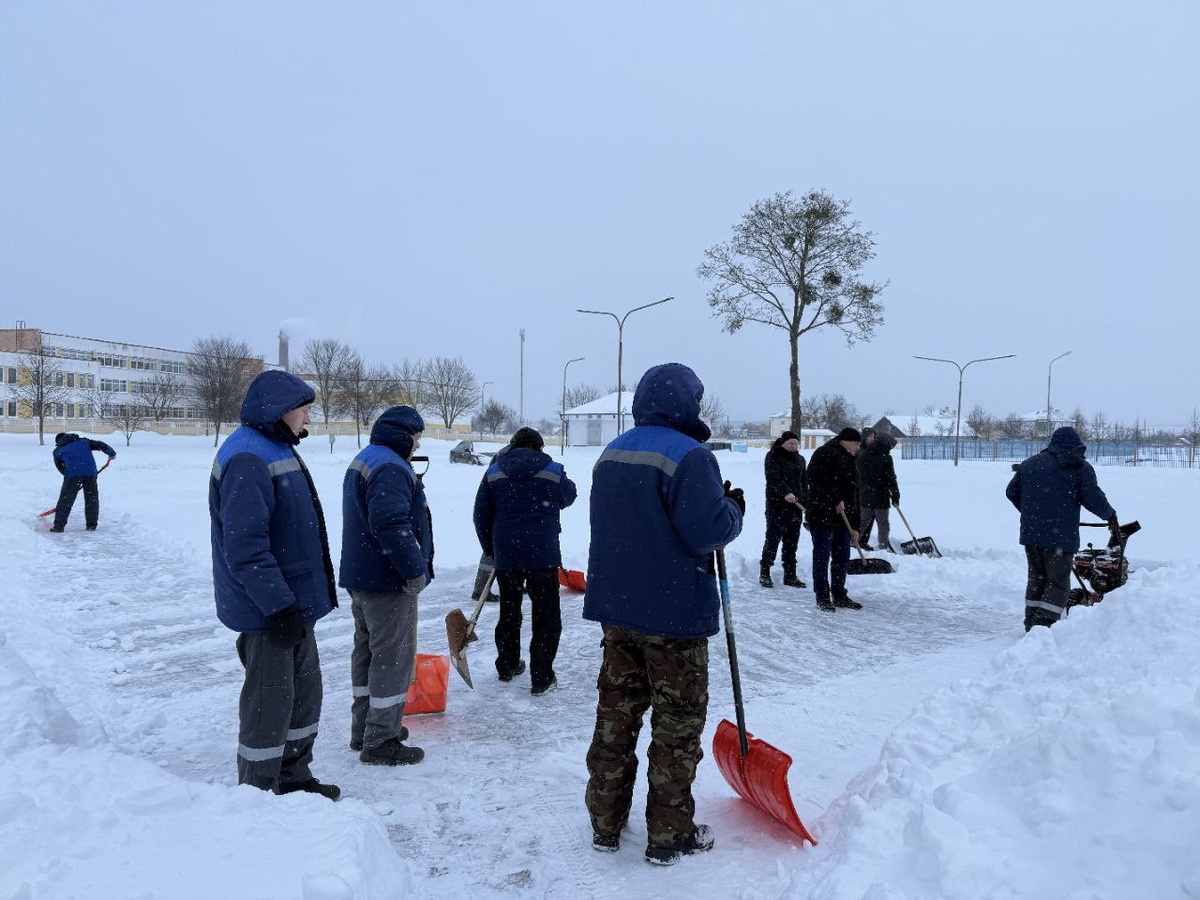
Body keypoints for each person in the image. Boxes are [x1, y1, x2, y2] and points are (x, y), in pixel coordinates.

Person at [583, 363, 744, 867]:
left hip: (618, 609)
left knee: (616, 715)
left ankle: (605, 822)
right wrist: (732, 509)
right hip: (673, 615)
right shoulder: (690, 456)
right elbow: (706, 531)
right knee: (676, 727)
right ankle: (669, 834)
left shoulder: (613, 452)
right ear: (688, 403)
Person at [208, 370, 340, 800]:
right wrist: (278, 606)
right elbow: (245, 547)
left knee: (303, 695)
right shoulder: (248, 456)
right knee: (269, 703)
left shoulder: (274, 446)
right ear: (280, 410)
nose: (308, 418)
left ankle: (293, 776)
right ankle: (258, 793)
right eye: (304, 409)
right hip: (269, 610)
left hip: (292, 604)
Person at [339, 405, 432, 766]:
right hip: (387, 579)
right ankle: (381, 739)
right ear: (402, 434)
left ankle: (365, 728)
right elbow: (391, 524)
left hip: (362, 575)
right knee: (392, 658)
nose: (417, 444)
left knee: (367, 652)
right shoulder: (391, 466)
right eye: (416, 436)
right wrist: (413, 570)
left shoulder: (367, 458)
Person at [473, 426, 577, 695]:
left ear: (512, 446)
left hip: (507, 553)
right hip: (543, 553)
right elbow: (569, 495)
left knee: (509, 611)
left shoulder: (494, 471)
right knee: (546, 615)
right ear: (539, 447)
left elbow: (480, 513)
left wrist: (492, 549)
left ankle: (507, 665)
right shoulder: (552, 469)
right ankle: (541, 677)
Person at [1006, 426, 1118, 632]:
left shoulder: (1030, 464)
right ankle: (1044, 624)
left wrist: (1032, 513)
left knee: (1037, 578)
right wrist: (1110, 515)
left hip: (1032, 534)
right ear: (1077, 446)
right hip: (1060, 536)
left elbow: (1011, 492)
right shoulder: (1078, 467)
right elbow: (1092, 497)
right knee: (1057, 581)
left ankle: (1031, 621)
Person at [804, 427, 864, 611]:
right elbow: (816, 480)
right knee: (822, 556)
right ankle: (822, 596)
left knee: (842, 557)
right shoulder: (824, 453)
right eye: (856, 443)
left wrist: (855, 526)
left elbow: (854, 494)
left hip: (843, 519)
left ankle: (839, 594)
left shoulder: (850, 459)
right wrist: (834, 500)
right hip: (822, 516)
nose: (858, 447)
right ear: (844, 441)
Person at [759, 430, 807, 588]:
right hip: (777, 506)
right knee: (772, 540)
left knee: (791, 543)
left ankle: (790, 575)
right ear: (783, 443)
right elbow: (773, 478)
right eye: (790, 443)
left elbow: (803, 482)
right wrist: (785, 492)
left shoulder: (800, 459)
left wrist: (805, 500)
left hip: (796, 507)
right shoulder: (773, 456)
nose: (794, 446)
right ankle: (765, 572)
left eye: (796, 444)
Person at [49, 432, 116, 532]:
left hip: (73, 475)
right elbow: (99, 444)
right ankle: (91, 525)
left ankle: (58, 526)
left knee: (66, 500)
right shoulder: (84, 442)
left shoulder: (58, 451)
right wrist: (111, 453)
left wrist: (69, 476)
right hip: (90, 473)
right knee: (92, 498)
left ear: (58, 441)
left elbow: (60, 467)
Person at [856, 428, 900, 552]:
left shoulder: (862, 455)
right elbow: (891, 478)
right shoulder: (885, 457)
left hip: (868, 493)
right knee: (881, 523)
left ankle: (854, 541)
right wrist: (895, 494)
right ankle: (883, 546)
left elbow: (861, 476)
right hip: (878, 494)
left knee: (865, 521)